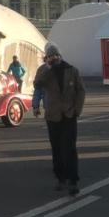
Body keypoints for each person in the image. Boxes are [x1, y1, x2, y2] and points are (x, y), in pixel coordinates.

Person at [32, 43, 86, 195]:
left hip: (69, 114)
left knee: (69, 148)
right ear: (46, 58)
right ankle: (60, 177)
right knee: (56, 148)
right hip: (52, 115)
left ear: (60, 56)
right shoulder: (43, 70)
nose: (53, 58)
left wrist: (77, 109)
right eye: (50, 56)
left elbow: (81, 90)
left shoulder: (71, 70)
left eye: (55, 55)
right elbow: (37, 85)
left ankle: (73, 180)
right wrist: (48, 69)